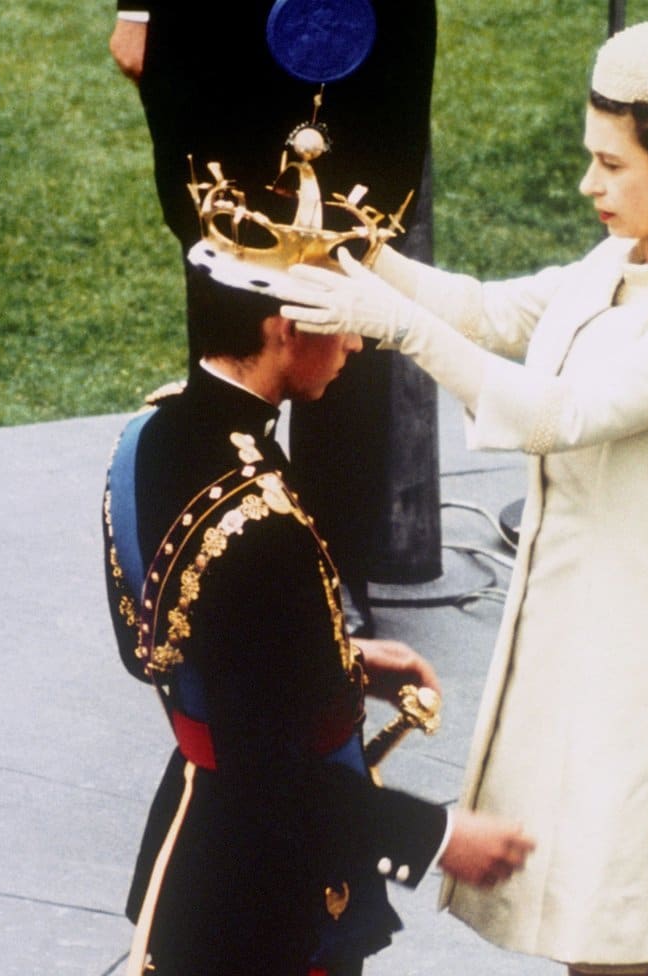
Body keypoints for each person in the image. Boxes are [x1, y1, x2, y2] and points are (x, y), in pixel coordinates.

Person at [276, 19, 648, 975]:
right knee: (581, 912)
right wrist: (361, 252)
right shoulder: (623, 258)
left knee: (616, 920)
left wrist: (392, 323)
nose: (589, 185)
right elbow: (490, 310)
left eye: (611, 165)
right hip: (575, 619)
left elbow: (558, 414)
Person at [102, 265, 534, 976]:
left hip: (194, 846)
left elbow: (177, 649)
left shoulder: (149, 434)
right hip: (266, 897)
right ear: (286, 329)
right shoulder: (263, 524)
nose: (357, 344)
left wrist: (340, 661)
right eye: (344, 322)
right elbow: (273, 781)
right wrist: (438, 836)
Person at [109, 0, 439, 636]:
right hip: (219, 27)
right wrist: (138, 8)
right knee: (226, 263)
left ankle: (334, 567)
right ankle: (212, 550)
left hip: (371, 24)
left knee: (351, 260)